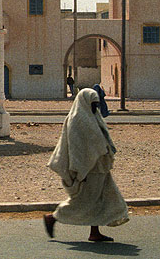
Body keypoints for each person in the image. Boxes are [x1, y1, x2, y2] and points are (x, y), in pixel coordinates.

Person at [44, 88, 129, 242]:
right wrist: (80, 170)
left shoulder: (94, 116)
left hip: (100, 166)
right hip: (89, 168)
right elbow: (76, 148)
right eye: (93, 103)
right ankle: (53, 217)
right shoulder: (77, 119)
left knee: (101, 199)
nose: (95, 106)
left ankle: (94, 232)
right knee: (84, 201)